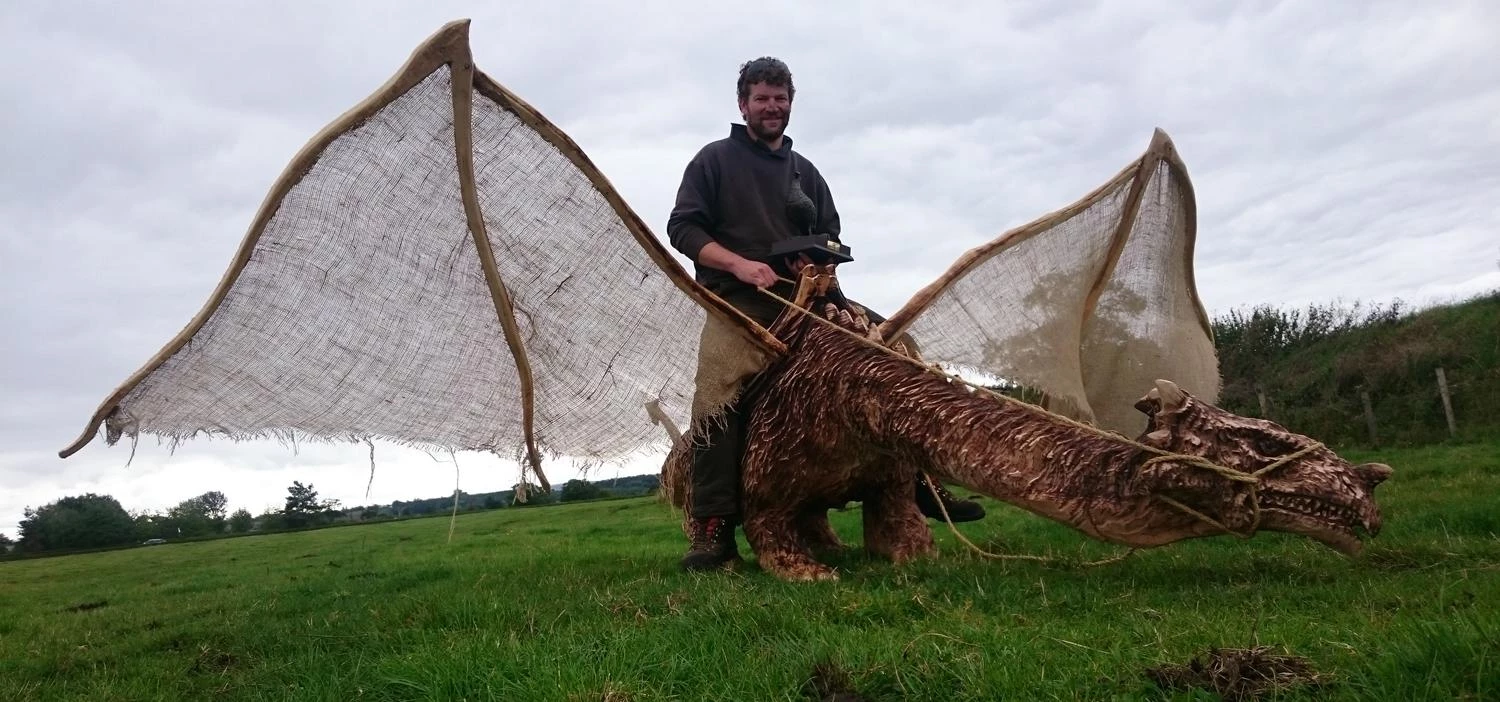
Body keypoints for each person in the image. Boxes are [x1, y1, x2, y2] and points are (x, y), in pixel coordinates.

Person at [666, 57, 984, 572]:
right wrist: (743, 266)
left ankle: (925, 482)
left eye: (780, 98)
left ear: (792, 102)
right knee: (716, 398)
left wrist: (816, 261)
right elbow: (684, 231)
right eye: (762, 98)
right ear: (742, 104)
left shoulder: (806, 172)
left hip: (815, 296)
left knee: (900, 351)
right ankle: (713, 531)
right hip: (741, 301)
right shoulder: (714, 161)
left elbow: (831, 236)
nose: (772, 107)